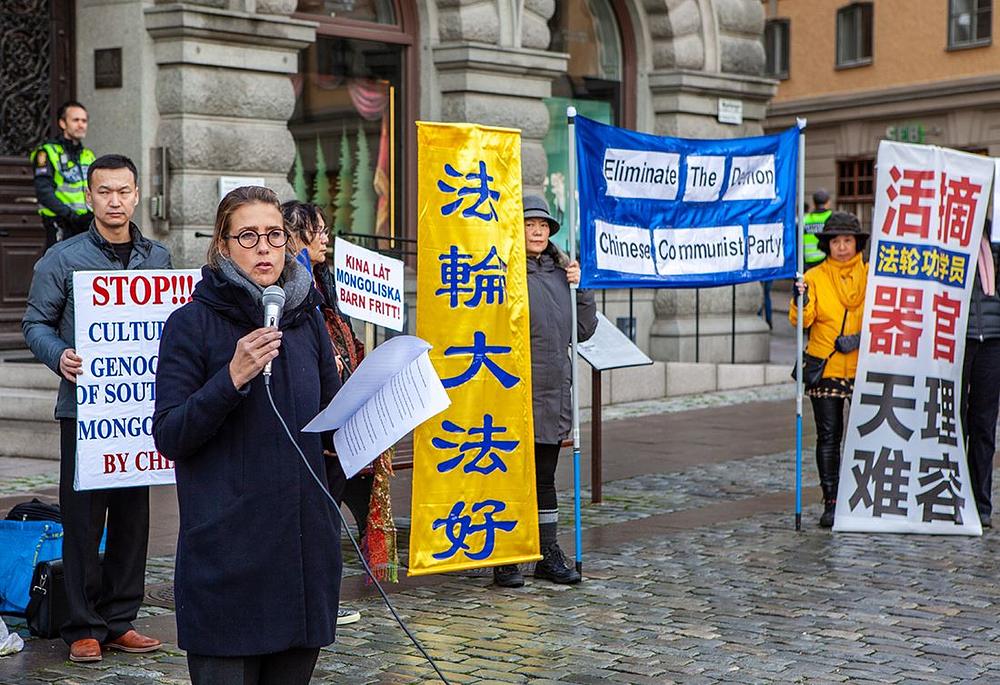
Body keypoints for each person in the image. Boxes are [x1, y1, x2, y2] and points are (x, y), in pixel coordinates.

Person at [153, 186, 342, 684]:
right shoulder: (190, 324)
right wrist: (231, 378)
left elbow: (330, 423)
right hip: (230, 561)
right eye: (249, 236)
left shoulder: (308, 322)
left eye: (275, 235)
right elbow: (171, 434)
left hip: (301, 559)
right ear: (223, 245)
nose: (264, 247)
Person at [22, 154, 169, 663]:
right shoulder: (61, 259)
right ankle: (83, 624)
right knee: (85, 519)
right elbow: (34, 324)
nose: (114, 200)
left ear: (135, 195)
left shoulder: (159, 259)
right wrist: (57, 355)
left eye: (123, 191)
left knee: (134, 518)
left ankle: (120, 619)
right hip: (85, 411)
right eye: (104, 191)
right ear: (89, 197)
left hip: (141, 411)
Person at [282, 200, 399, 623]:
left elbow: (346, 341)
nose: (326, 238)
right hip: (314, 421)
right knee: (318, 517)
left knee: (330, 516)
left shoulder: (323, 284)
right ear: (296, 235)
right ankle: (316, 603)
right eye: (318, 230)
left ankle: (323, 598)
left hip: (340, 417)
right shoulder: (294, 289)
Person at [493, 194, 598, 588]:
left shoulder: (560, 272)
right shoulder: (506, 271)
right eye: (529, 224)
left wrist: (581, 287)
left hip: (553, 395)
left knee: (544, 478)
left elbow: (583, 330)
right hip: (515, 392)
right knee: (509, 476)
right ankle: (507, 555)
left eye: (543, 226)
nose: (537, 231)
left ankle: (546, 551)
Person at [789, 212, 868, 528]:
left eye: (848, 240)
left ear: (856, 243)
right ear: (827, 245)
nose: (842, 247)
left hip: (864, 364)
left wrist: (861, 338)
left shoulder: (871, 276)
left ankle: (864, 496)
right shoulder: (814, 277)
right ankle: (831, 500)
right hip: (827, 365)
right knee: (829, 435)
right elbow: (801, 321)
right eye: (836, 241)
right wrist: (801, 300)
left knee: (865, 435)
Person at [962, 225, 1000, 529]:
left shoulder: (995, 243)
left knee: (984, 425)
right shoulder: (947, 240)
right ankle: (951, 495)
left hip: (994, 341)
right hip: (957, 341)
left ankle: (981, 501)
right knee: (954, 422)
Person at [31, 101, 96, 249]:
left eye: (84, 121)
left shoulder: (88, 155)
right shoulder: (47, 152)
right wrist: (71, 216)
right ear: (62, 123)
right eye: (75, 120)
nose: (81, 125)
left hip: (86, 224)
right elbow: (44, 192)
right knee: (58, 268)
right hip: (60, 223)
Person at [802, 189, 832, 269]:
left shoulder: (805, 220)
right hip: (826, 262)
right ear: (828, 202)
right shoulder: (831, 217)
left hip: (808, 263)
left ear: (814, 203)